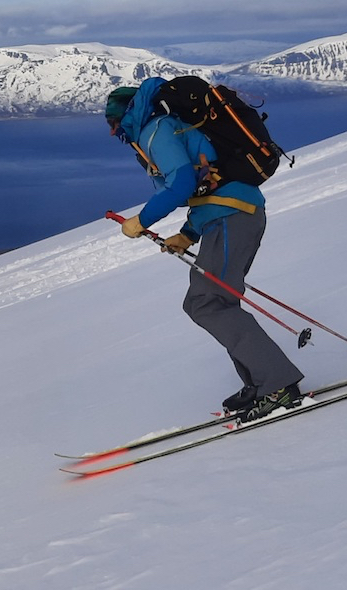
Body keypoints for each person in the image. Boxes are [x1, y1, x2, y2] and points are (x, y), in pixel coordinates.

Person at [105, 78, 304, 421]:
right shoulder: (166, 129)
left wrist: (142, 220)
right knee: (212, 302)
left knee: (207, 302)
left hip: (233, 217)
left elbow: (182, 183)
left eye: (113, 122)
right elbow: (206, 184)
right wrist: (187, 234)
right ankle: (261, 381)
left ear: (127, 116)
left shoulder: (155, 130)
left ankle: (277, 385)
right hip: (228, 216)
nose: (113, 132)